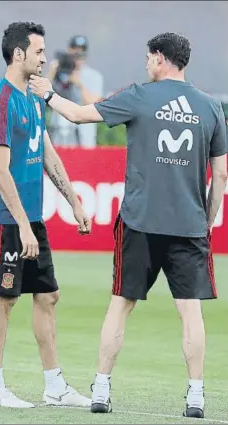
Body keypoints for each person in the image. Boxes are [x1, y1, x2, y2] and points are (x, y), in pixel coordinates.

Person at [29, 32, 228, 418]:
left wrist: (48, 93)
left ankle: (101, 389)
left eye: (148, 56)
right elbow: (220, 176)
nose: (146, 63)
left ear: (159, 58)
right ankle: (196, 395)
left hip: (139, 221)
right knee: (190, 312)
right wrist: (207, 219)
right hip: (188, 225)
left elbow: (78, 113)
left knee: (121, 305)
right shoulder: (211, 108)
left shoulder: (139, 95)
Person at [0, 21, 92, 409]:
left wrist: (73, 200)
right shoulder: (1, 100)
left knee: (48, 296)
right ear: (19, 54)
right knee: (4, 300)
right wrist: (23, 224)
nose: (46, 58)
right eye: (39, 52)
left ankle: (54, 386)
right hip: (5, 221)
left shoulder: (32, 97)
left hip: (31, 219)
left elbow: (47, 153)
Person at [46, 35, 103, 148]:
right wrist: (51, 74)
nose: (76, 57)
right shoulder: (59, 74)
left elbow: (94, 104)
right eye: (74, 53)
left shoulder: (93, 76)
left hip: (83, 137)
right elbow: (40, 96)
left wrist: (78, 83)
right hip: (58, 135)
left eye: (80, 54)